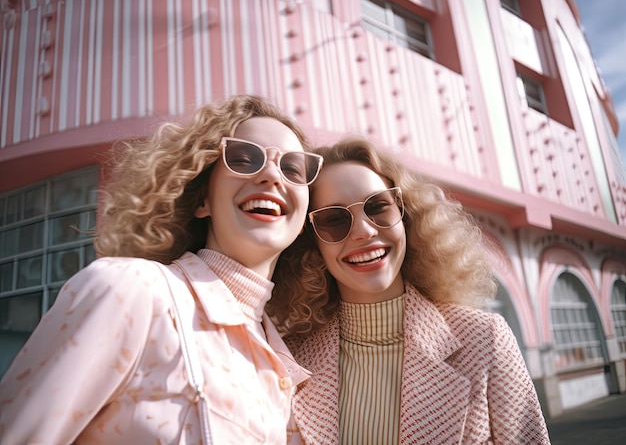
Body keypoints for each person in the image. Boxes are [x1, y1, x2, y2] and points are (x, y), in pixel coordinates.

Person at [0, 95, 323, 445]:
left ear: (305, 217)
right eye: (243, 159)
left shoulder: (288, 366)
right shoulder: (132, 290)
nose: (272, 175)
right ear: (202, 199)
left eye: (292, 169)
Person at [269, 138, 551, 444]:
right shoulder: (289, 359)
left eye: (378, 207)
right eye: (334, 220)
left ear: (405, 215)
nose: (364, 231)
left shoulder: (485, 339)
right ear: (312, 243)